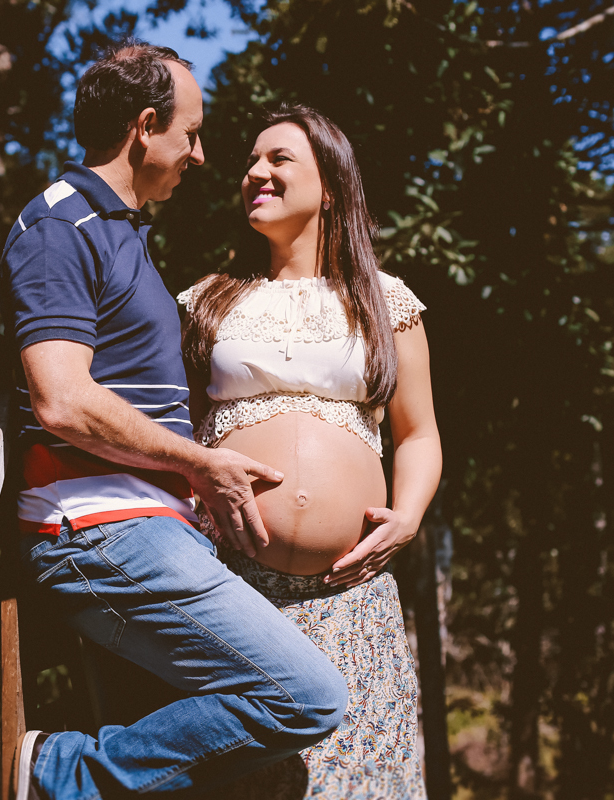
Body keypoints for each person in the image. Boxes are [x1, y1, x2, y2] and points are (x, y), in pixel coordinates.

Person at [0, 42, 349, 800]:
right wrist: (197, 461)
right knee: (309, 696)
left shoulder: (119, 232)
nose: (200, 155)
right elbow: (62, 398)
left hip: (145, 530)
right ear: (145, 126)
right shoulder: (61, 225)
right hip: (98, 531)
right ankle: (58, 772)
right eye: (191, 134)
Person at [177, 102, 443, 798]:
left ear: (330, 186)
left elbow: (419, 433)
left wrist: (408, 517)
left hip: (350, 598)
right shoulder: (209, 301)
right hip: (234, 591)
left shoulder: (384, 302)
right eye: (251, 161)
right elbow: (179, 432)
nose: (256, 172)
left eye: (279, 158)